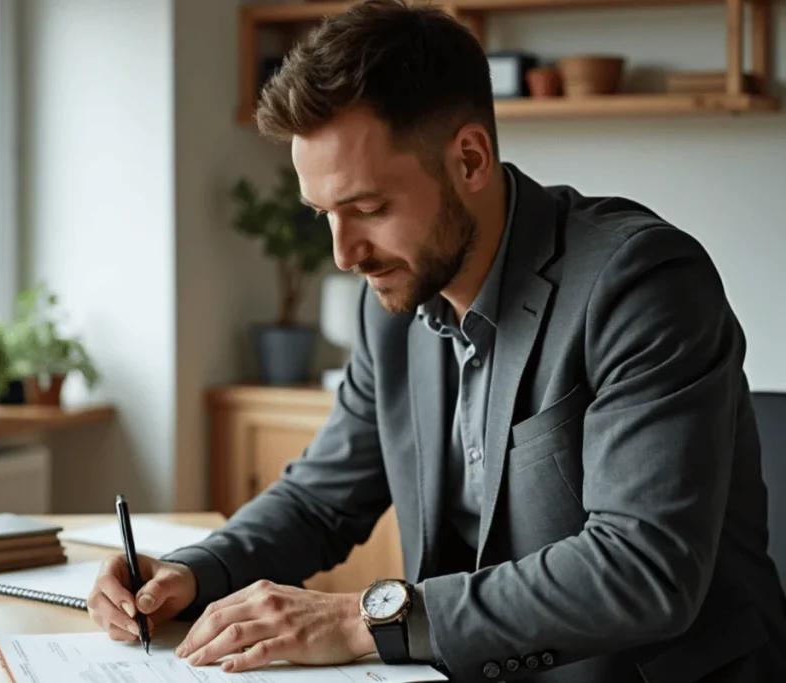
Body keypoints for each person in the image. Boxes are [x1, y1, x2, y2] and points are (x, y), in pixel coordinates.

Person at [87, 0, 786, 680]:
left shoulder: (641, 282)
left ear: (471, 159)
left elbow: (643, 568)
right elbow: (320, 499)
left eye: (367, 208)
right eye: (324, 213)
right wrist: (190, 569)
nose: (344, 253)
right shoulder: (392, 302)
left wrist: (366, 619)